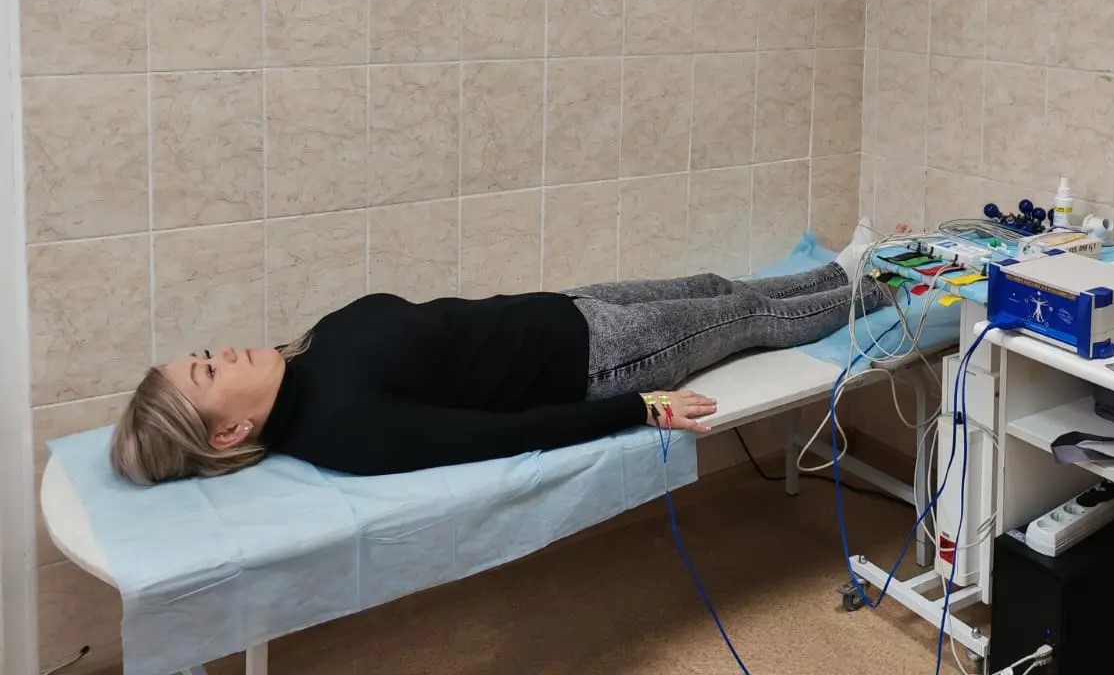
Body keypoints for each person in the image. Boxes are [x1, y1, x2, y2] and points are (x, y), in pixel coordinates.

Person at [111, 233, 887, 485]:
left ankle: (840, 270)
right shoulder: (343, 432)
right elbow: (499, 436)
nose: (223, 353)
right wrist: (639, 408)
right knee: (749, 316)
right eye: (209, 373)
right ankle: (882, 289)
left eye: (204, 355)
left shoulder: (302, 362)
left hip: (566, 308)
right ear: (228, 433)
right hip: (602, 361)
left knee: (719, 286)